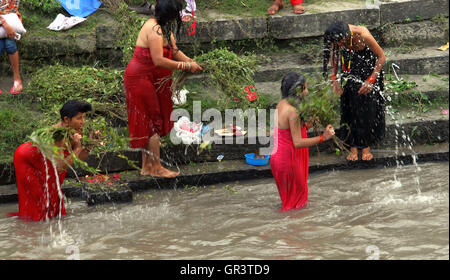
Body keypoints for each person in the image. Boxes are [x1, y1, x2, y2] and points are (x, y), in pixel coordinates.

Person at [124, 0, 202, 178]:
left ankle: (147, 167)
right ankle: (156, 167)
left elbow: (174, 52)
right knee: (151, 121)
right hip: (140, 79)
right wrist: (185, 66)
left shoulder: (165, 28)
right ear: (171, 15)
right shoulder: (154, 29)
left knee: (153, 120)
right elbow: (158, 60)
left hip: (154, 79)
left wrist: (191, 62)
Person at [9, 100, 93, 221]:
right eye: (79, 118)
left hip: (46, 160)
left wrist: (89, 146)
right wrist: (78, 147)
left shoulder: (76, 129)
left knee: (53, 194)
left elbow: (78, 158)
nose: (83, 122)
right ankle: (32, 230)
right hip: (26, 159)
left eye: (84, 117)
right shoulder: (57, 135)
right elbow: (60, 166)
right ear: (67, 119)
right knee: (39, 198)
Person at [270, 73, 335, 211]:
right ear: (297, 90)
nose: (307, 91)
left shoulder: (281, 104)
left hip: (279, 158)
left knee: (290, 202)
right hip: (289, 160)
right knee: (297, 206)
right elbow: (297, 142)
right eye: (304, 88)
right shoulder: (293, 111)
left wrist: (308, 124)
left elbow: (288, 129)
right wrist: (323, 137)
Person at [323, 21, 386, 161]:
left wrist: (371, 80)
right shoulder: (337, 36)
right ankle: (352, 146)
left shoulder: (363, 34)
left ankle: (365, 146)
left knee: (366, 106)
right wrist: (334, 79)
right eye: (336, 43)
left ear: (346, 35)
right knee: (349, 105)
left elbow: (382, 57)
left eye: (340, 42)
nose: (339, 45)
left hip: (369, 70)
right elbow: (334, 57)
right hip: (349, 68)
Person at [0, 0, 23, 95]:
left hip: (10, 21)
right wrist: (4, 24)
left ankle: (17, 78)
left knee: (10, 44)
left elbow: (13, 10)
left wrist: (8, 25)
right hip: (4, 22)